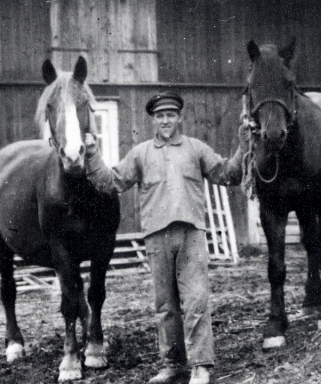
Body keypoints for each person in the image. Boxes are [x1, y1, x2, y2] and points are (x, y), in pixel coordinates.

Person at [84, 90, 245, 384]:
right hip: (156, 237)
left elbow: (227, 174)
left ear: (179, 118)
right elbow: (111, 181)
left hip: (191, 234)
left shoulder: (196, 149)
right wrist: (92, 153)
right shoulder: (140, 154)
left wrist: (246, 143)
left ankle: (200, 365)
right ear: (153, 121)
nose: (166, 120)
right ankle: (173, 364)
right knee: (165, 305)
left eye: (170, 115)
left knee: (195, 300)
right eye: (160, 116)